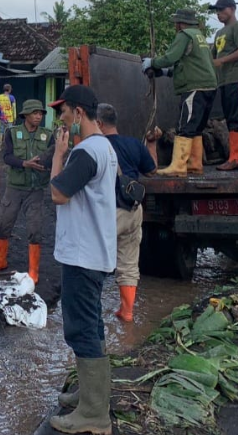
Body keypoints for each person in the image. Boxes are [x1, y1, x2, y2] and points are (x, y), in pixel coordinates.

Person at [48, 85, 116, 434]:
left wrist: (59, 154)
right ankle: (92, 396)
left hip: (82, 255)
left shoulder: (86, 152)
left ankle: (93, 414)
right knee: (92, 325)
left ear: (78, 113)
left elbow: (57, 193)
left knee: (81, 328)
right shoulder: (103, 146)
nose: (60, 118)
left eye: (63, 112)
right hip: (93, 252)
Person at [0, 99, 54, 284]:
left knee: (35, 229)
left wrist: (45, 165)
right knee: (3, 223)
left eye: (41, 113)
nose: (39, 116)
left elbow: (55, 157)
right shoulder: (12, 133)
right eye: (35, 113)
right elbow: (6, 157)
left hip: (36, 189)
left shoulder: (48, 135)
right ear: (26, 115)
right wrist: (25, 164)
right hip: (14, 188)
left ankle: (33, 270)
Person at [96, 103, 156, 323]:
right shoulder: (133, 144)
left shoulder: (95, 147)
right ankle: (127, 313)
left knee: (94, 262)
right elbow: (151, 170)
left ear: (99, 124)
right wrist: (151, 144)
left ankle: (93, 313)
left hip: (109, 213)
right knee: (129, 262)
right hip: (133, 209)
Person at [142, 8, 217, 178]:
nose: (175, 26)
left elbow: (170, 57)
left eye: (176, 22)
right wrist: (167, 73)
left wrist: (152, 62)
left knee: (184, 127)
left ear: (180, 23)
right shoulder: (199, 37)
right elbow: (190, 66)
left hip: (194, 88)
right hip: (208, 86)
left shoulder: (184, 35)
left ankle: (178, 166)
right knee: (196, 127)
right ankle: (195, 164)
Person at [210, 0, 238, 170]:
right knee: (230, 117)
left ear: (232, 8)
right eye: (217, 11)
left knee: (237, 118)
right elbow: (212, 56)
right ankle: (234, 156)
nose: (219, 13)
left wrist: (223, 61)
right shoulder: (219, 33)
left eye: (222, 9)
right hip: (225, 81)